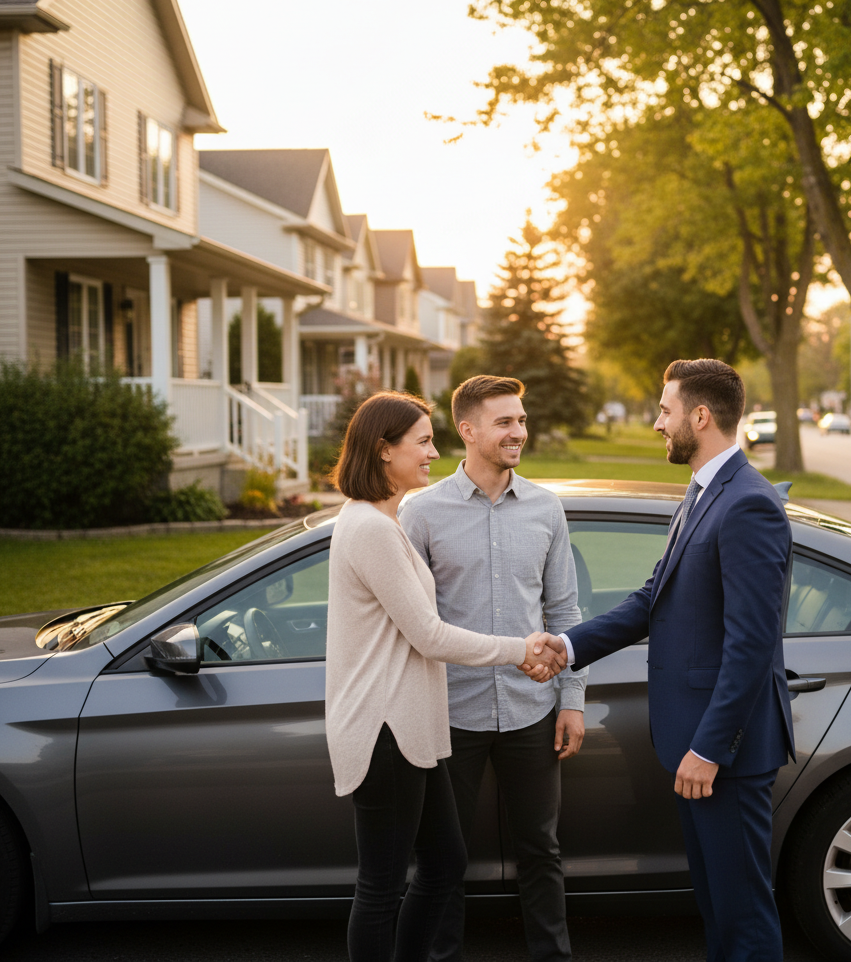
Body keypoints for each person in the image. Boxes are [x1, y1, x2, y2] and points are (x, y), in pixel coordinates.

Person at [541, 359, 795, 962]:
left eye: (665, 410)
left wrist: (710, 749)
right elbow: (654, 598)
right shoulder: (705, 491)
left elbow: (751, 645)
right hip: (695, 745)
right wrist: (569, 646)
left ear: (700, 416)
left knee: (743, 916)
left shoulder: (748, 505)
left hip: (722, 753)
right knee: (715, 905)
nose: (658, 423)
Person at [325, 391, 564, 962]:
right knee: (380, 886)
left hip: (411, 732)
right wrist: (519, 647)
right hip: (384, 729)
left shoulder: (381, 522)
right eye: (422, 442)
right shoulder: (372, 529)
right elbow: (429, 634)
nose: (434, 452)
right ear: (385, 451)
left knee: (444, 862)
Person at [399, 375, 587, 962]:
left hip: (533, 712)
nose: (519, 433)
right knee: (443, 858)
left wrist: (572, 699)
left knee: (541, 849)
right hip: (450, 712)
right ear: (468, 430)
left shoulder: (545, 508)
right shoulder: (421, 512)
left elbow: (564, 611)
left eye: (522, 421)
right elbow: (413, 622)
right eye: (505, 422)